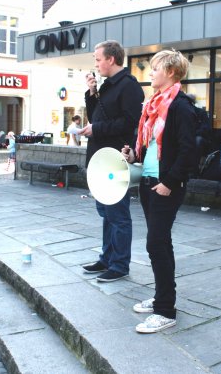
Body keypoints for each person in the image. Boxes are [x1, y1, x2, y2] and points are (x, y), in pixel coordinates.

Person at [122, 50, 196, 333]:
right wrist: (133, 155)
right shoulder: (154, 104)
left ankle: (165, 310)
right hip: (148, 181)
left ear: (171, 72)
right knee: (161, 243)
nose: (150, 73)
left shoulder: (180, 106)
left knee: (156, 244)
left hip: (165, 185)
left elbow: (189, 152)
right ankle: (161, 297)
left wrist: (170, 183)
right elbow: (151, 146)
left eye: (155, 68)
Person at [80, 40, 144, 282]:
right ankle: (107, 258)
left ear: (111, 59)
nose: (96, 64)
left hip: (115, 159)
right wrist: (91, 93)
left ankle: (119, 264)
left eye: (98, 59)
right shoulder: (107, 85)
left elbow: (130, 123)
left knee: (117, 214)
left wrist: (96, 129)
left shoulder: (129, 86)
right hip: (101, 158)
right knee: (106, 212)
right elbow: (96, 116)